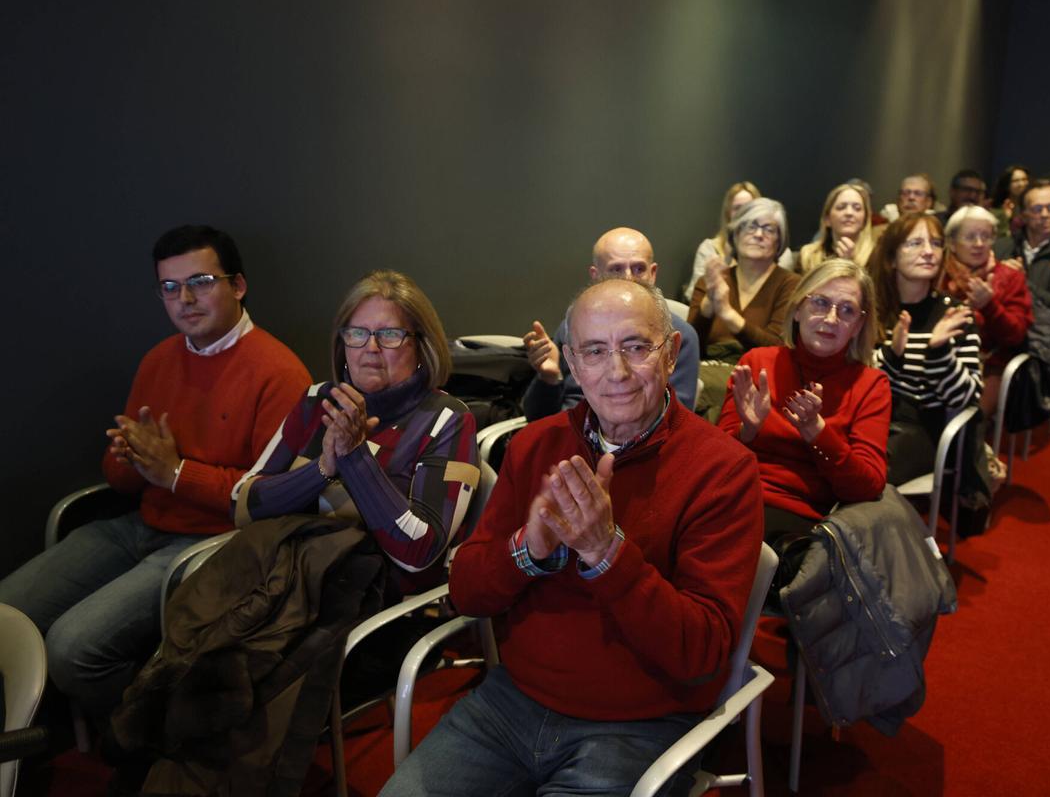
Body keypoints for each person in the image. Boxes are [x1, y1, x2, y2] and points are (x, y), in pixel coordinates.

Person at [380, 279, 764, 797]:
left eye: (635, 347)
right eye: (596, 351)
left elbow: (702, 654)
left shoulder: (723, 470)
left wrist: (606, 553)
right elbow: (468, 592)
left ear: (671, 354)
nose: (617, 372)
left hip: (637, 724)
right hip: (511, 705)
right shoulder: (535, 445)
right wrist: (528, 549)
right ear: (572, 363)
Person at [0, 225, 311, 722]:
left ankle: (155, 733)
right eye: (170, 287)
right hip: (140, 524)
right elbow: (125, 484)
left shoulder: (279, 372)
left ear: (238, 286)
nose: (184, 299)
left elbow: (269, 499)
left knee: (71, 650)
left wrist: (175, 472)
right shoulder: (159, 360)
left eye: (201, 282)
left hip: (212, 543)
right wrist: (129, 457)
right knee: (6, 612)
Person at [232, 270, 479, 596]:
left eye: (390, 334)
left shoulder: (446, 419)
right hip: (285, 584)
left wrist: (355, 457)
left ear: (422, 344)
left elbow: (419, 552)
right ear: (342, 342)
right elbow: (243, 505)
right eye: (357, 333)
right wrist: (323, 469)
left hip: (372, 604)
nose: (371, 347)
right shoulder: (316, 400)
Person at [718, 259, 889, 570]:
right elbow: (716, 461)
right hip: (736, 496)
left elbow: (868, 486)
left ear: (859, 326)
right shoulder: (758, 362)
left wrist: (817, 433)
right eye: (820, 303)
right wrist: (748, 431)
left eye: (847, 310)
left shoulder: (870, 385)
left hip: (798, 519)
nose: (832, 318)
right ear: (797, 309)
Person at [868, 215, 990, 518]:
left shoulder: (955, 315)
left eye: (935, 243)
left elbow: (966, 399)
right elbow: (859, 380)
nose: (929, 251)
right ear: (893, 257)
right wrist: (893, 355)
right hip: (869, 419)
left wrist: (937, 354)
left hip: (922, 429)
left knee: (861, 472)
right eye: (915, 242)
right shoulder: (871, 311)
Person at [522, 227, 700, 418]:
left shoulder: (679, 335)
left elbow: (677, 421)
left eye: (639, 269)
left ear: (653, 273)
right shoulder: (573, 327)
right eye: (616, 270)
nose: (629, 279)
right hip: (569, 435)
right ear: (595, 276)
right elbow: (535, 417)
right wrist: (549, 379)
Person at [689, 197, 802, 421]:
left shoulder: (790, 284)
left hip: (758, 374)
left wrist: (729, 315)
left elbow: (779, 348)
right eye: (751, 225)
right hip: (706, 368)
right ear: (736, 233)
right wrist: (710, 306)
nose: (758, 234)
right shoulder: (710, 280)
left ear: (779, 242)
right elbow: (689, 347)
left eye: (768, 229)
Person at [940, 206, 1033, 418]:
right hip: (940, 356)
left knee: (966, 416)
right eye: (970, 237)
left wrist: (989, 306)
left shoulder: (1010, 276)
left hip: (989, 364)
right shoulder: (937, 274)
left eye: (986, 236)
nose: (979, 244)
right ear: (952, 243)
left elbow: (1016, 335)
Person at [993, 179, 1050, 317]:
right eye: (1037, 209)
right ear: (1023, 214)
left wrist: (1021, 281)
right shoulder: (1001, 246)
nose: (1045, 215)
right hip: (1002, 319)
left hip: (1043, 327)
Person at [681, 180, 759, 301]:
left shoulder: (777, 254)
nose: (743, 214)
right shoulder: (709, 249)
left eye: (749, 208)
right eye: (737, 208)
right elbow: (693, 297)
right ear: (728, 214)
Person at [797, 183, 876, 271]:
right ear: (827, 219)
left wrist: (850, 265)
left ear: (865, 221)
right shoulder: (807, 256)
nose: (849, 213)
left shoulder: (877, 256)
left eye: (857, 208)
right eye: (841, 207)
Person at [990, 164, 1030, 237]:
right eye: (1016, 181)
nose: (1021, 184)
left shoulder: (1033, 205)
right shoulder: (997, 209)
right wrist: (1005, 218)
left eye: (1024, 179)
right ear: (1007, 185)